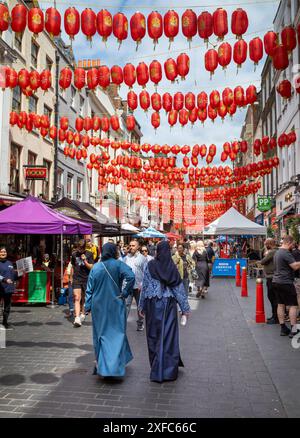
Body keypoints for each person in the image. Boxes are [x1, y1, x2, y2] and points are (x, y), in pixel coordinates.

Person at [138, 241, 191, 383]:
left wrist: (141, 305)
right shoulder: (171, 268)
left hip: (152, 305)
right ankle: (168, 371)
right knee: (168, 337)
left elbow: (145, 286)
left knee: (154, 336)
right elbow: (178, 290)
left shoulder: (150, 265)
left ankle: (156, 369)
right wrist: (185, 309)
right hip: (168, 306)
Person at [85, 243, 135, 378]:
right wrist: (125, 292)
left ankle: (100, 364)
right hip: (115, 303)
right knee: (117, 334)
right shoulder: (118, 265)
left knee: (99, 335)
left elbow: (89, 289)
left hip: (98, 306)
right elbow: (131, 276)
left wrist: (87, 307)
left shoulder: (95, 267)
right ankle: (114, 367)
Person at [272, 235, 300, 338]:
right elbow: (295, 266)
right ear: (288, 243)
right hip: (286, 282)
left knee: (281, 304)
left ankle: (283, 328)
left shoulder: (277, 252)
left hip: (276, 281)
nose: (293, 246)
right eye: (293, 244)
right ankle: (293, 330)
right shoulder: (286, 253)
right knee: (293, 305)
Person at [70, 239, 94, 328]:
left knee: (84, 298)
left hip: (86, 279)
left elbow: (91, 267)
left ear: (84, 247)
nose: (79, 250)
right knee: (77, 297)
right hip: (76, 279)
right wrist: (71, 277)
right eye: (78, 248)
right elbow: (73, 266)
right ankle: (77, 318)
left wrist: (85, 261)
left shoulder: (89, 254)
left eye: (80, 248)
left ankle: (83, 313)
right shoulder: (74, 254)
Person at [124, 239, 147, 330]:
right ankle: (123, 325)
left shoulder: (142, 258)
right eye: (130, 245)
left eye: (133, 245)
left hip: (139, 287)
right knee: (126, 305)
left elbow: (146, 273)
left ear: (138, 247)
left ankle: (140, 323)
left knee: (140, 306)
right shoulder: (125, 258)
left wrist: (142, 284)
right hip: (128, 286)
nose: (131, 247)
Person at [0, 246, 20, 329]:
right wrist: (4, 279)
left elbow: (13, 276)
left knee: (7, 307)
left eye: (4, 252)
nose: (3, 253)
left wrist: (20, 274)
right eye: (1, 252)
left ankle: (5, 322)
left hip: (8, 289)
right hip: (0, 288)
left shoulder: (10, 263)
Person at [260, 238, 278, 324]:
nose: (265, 246)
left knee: (272, 297)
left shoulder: (271, 252)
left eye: (265, 244)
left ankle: (275, 317)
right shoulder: (275, 251)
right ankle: (274, 316)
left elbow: (262, 261)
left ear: (268, 244)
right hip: (272, 276)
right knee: (273, 297)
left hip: (271, 277)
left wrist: (266, 251)